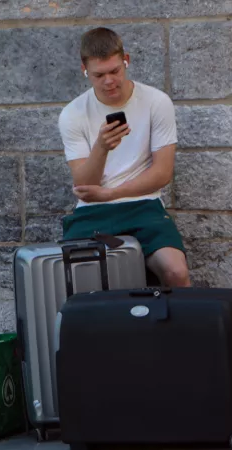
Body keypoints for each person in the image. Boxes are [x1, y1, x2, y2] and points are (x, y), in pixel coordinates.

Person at [57, 27, 191, 288]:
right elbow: (84, 186)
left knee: (176, 272)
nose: (109, 81)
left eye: (115, 71)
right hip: (92, 212)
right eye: (99, 75)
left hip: (144, 206)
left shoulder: (156, 102)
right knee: (79, 280)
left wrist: (111, 193)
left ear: (125, 61)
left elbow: (162, 173)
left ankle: (180, 316)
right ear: (85, 70)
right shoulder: (72, 114)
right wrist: (101, 148)